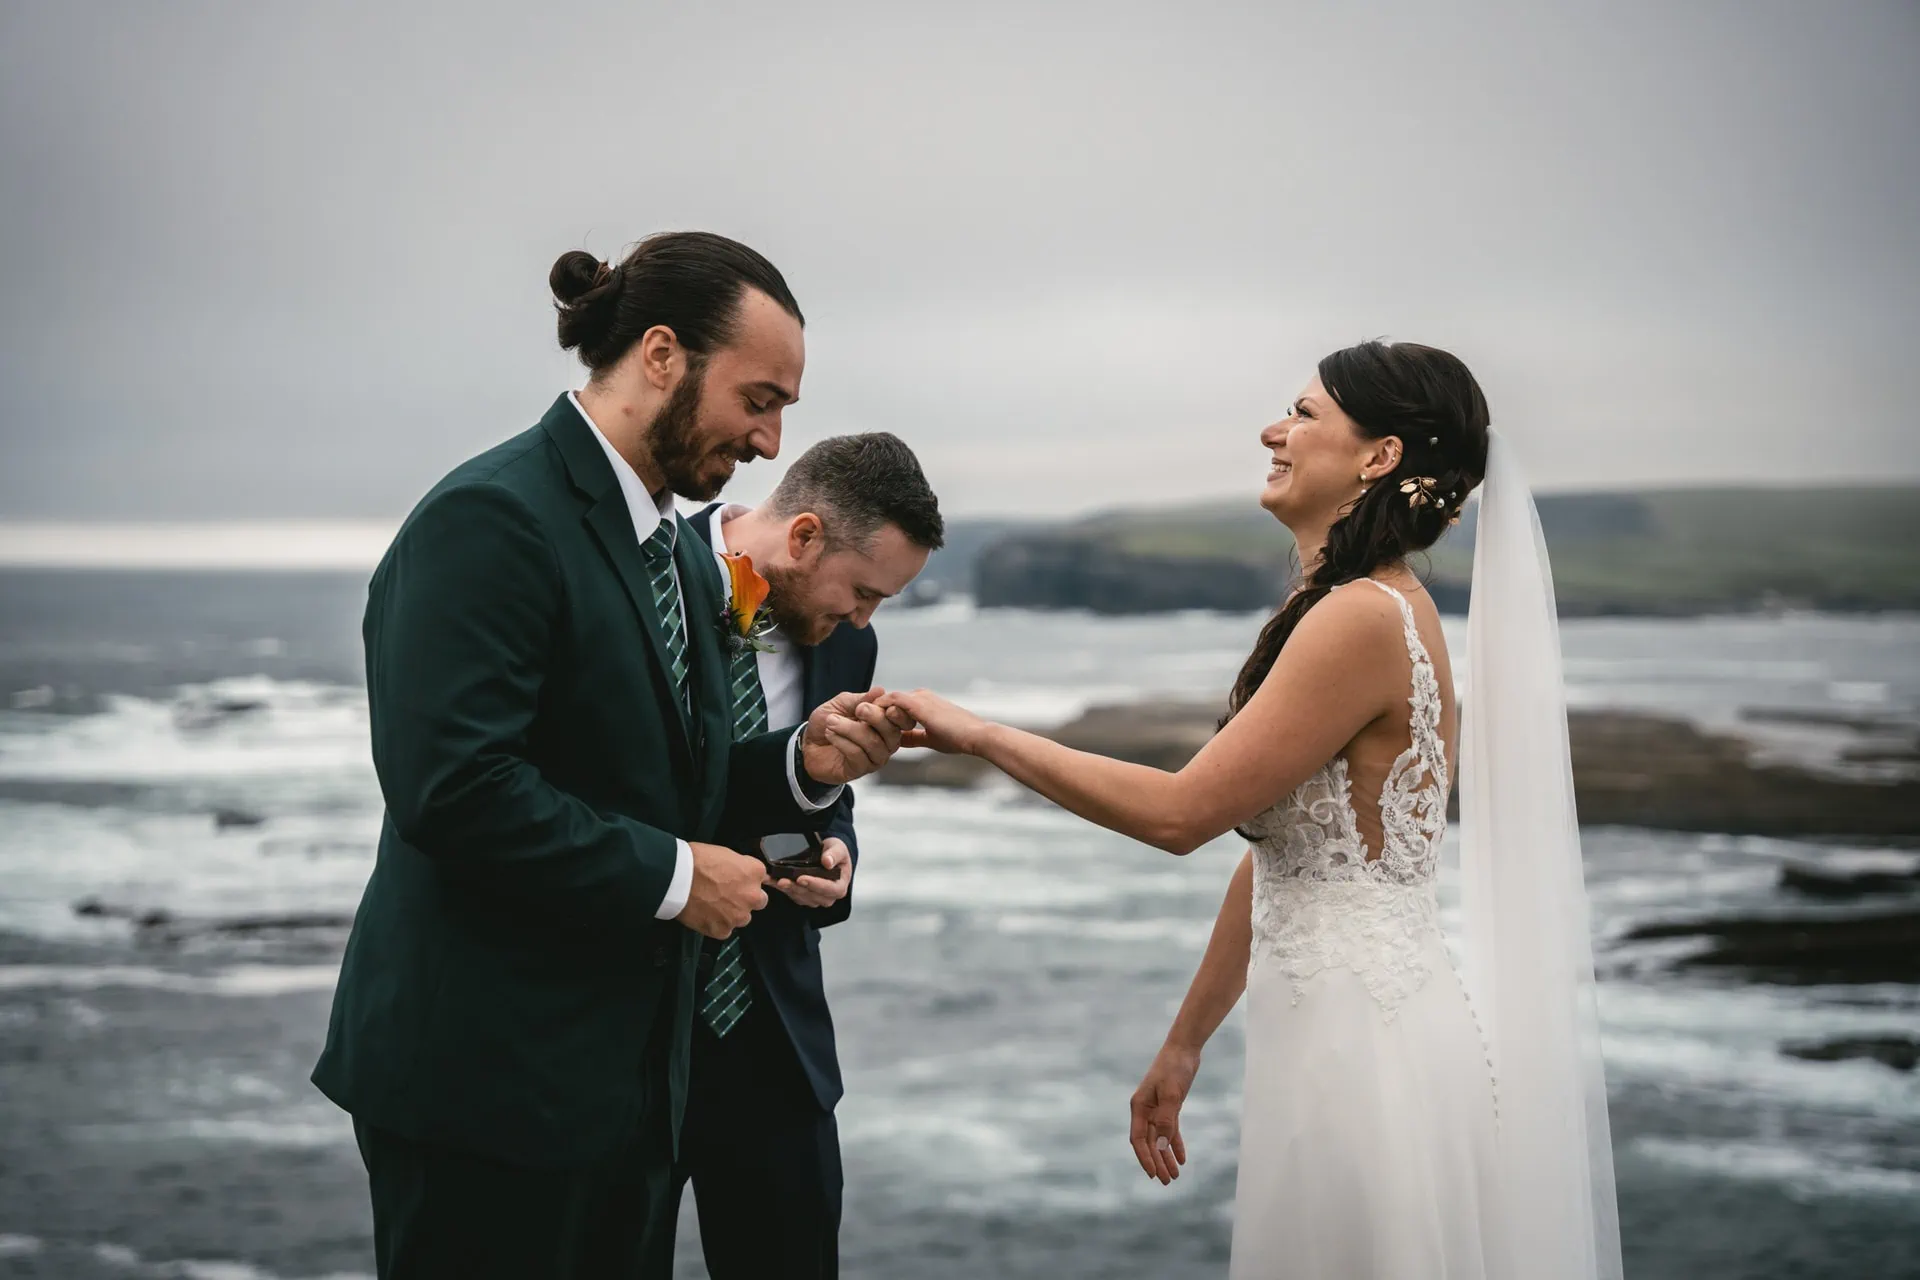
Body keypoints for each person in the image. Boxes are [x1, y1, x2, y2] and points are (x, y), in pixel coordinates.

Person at [886, 341, 1622, 1280]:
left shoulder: (1359, 617)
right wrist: (1186, 1041)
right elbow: (1283, 854)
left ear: (1380, 457)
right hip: (1339, 1032)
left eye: (1305, 415)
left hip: (1363, 1054)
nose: (1274, 431)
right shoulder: (1352, 605)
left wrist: (978, 733)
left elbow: (1180, 814)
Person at [311, 231, 911, 1280]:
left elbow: (673, 775)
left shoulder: (669, 549)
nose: (771, 441)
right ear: (663, 355)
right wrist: (680, 879)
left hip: (627, 1089)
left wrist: (805, 766)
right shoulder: (491, 517)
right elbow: (455, 790)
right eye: (759, 398)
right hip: (490, 1088)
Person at [676, 431, 943, 1278]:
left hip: (770, 1035)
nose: (865, 620)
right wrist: (800, 768)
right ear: (803, 537)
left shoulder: (847, 643)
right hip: (627, 1019)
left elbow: (827, 783)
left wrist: (838, 853)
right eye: (863, 592)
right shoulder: (643, 582)